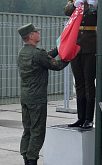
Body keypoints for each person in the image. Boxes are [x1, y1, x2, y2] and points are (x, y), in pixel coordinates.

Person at [17, 23, 69, 165]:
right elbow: (57, 65)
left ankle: (26, 158)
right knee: (37, 131)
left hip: (26, 97)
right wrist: (69, 55)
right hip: (37, 98)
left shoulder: (23, 52)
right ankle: (32, 159)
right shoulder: (37, 54)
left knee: (27, 129)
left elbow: (45, 57)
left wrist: (59, 49)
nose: (39, 34)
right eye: (36, 32)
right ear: (32, 36)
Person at [63, 0, 98, 129]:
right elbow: (66, 11)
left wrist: (97, 6)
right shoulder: (74, 0)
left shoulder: (97, 1)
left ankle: (89, 118)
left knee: (89, 83)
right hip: (76, 46)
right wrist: (76, 4)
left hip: (90, 46)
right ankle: (80, 117)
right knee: (79, 83)